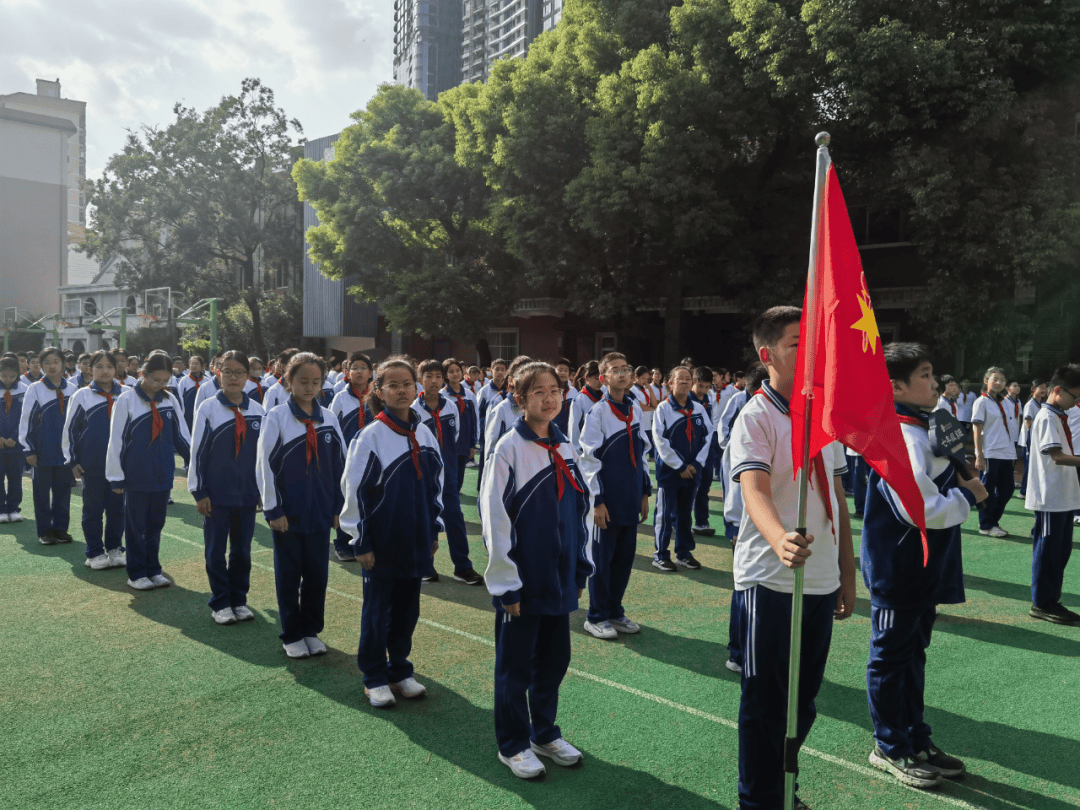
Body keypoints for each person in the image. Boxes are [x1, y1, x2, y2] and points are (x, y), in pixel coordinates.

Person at [727, 305, 856, 810]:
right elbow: (753, 489)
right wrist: (780, 537)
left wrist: (847, 572)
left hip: (820, 577)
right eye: (797, 346)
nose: (810, 356)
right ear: (768, 355)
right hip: (771, 579)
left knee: (802, 703)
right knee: (766, 703)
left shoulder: (825, 415)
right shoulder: (756, 416)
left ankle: (784, 787)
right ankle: (760, 800)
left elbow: (837, 500)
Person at [862, 343, 985, 788]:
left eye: (933, 375)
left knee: (913, 655)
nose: (936, 384)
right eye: (926, 375)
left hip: (925, 567)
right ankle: (889, 745)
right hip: (899, 567)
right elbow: (921, 509)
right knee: (892, 657)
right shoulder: (898, 435)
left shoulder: (926, 424)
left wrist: (962, 473)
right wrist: (969, 496)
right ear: (895, 386)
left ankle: (915, 737)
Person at [480, 360, 593, 780]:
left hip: (558, 578)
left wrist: (581, 564)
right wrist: (506, 583)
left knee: (554, 660)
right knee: (515, 666)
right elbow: (494, 518)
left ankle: (544, 732)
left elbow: (578, 509)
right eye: (538, 392)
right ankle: (512, 743)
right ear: (519, 399)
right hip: (523, 583)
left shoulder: (565, 446)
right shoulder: (509, 448)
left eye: (555, 391)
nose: (549, 399)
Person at [340, 357, 443, 708]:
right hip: (381, 544)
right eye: (393, 385)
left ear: (417, 389)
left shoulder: (425, 431)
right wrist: (361, 540)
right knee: (377, 611)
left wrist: (434, 529)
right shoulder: (370, 436)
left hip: (416, 540)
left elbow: (436, 486)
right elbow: (354, 491)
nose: (401, 390)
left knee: (406, 610)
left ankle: (400, 670)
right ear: (379, 392)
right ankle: (374, 675)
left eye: (407, 384)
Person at [256, 352, 346, 658]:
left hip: (321, 512)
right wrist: (273, 508)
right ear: (288, 381)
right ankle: (292, 633)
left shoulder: (330, 418)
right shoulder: (277, 417)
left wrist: (338, 507)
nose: (309, 387)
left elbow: (340, 467)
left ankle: (310, 629)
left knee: (317, 575)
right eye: (302, 381)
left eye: (316, 381)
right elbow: (264, 466)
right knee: (289, 574)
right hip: (288, 514)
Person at [188, 350, 264, 625]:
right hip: (216, 495)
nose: (233, 378)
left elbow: (262, 457)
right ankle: (220, 601)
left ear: (248, 376)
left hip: (246, 494)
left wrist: (262, 490)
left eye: (239, 373)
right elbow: (197, 452)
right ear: (217, 373)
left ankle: (239, 599)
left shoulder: (257, 410)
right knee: (216, 550)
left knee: (242, 551)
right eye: (227, 372)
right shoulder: (208, 407)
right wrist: (199, 491)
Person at [579, 352, 651, 640]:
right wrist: (597, 500)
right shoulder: (598, 412)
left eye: (626, 369)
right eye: (615, 370)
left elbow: (643, 453)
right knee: (602, 559)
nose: (622, 374)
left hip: (630, 497)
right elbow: (589, 459)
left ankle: (614, 611)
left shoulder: (635, 408)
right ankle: (595, 616)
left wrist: (644, 491)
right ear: (604, 378)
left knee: (624, 559)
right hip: (606, 501)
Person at [106, 354, 191, 590]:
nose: (160, 384)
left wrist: (195, 460)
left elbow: (182, 435)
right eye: (155, 379)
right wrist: (116, 477)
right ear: (143, 374)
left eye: (165, 380)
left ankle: (153, 569)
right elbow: (116, 442)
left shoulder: (170, 399)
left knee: (156, 524)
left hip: (163, 473)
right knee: (136, 526)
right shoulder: (126, 400)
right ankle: (136, 573)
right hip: (135, 475)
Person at [414, 359, 483, 586]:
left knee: (455, 517)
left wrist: (449, 468)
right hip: (423, 477)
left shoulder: (451, 406)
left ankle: (462, 567)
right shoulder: (413, 412)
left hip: (448, 474)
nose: (434, 381)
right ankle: (425, 564)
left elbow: (454, 438)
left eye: (437, 376)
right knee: (424, 520)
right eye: (428, 376)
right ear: (420, 379)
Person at [1024, 364, 1080, 625]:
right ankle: (1042, 603)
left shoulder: (1058, 416)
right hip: (1050, 498)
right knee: (1048, 553)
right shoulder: (1047, 416)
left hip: (1062, 498)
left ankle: (1051, 600)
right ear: (1058, 390)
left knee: (1060, 552)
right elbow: (1056, 456)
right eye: (1074, 396)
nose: (1076, 401)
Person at [63, 350, 126, 570]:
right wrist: (72, 460)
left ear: (116, 369)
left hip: (120, 464)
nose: (105, 371)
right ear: (90, 369)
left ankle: (115, 548)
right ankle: (95, 552)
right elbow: (70, 429)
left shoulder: (126, 394)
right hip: (93, 463)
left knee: (118, 508)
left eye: (109, 366)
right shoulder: (82, 395)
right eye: (99, 367)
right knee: (93, 509)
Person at [651, 365, 710, 572]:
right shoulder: (663, 408)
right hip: (670, 472)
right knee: (665, 515)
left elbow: (708, 437)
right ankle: (660, 554)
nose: (685, 382)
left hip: (692, 472)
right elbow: (659, 440)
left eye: (688, 379)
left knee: (685, 515)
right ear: (670, 383)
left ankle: (683, 553)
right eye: (680, 379)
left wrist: (695, 464)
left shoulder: (699, 408)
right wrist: (679, 465)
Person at [19, 347, 77, 545]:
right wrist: (29, 449)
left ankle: (61, 529)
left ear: (63, 364)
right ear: (41, 366)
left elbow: (78, 423)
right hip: (42, 451)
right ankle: (45, 531)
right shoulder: (35, 389)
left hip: (66, 452)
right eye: (47, 363)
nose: (51, 366)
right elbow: (26, 420)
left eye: (56, 362)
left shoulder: (72, 389)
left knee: (63, 492)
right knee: (41, 494)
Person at [328, 352, 374, 562]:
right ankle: (342, 543)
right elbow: (331, 425)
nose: (359, 371)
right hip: (346, 458)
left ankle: (365, 540)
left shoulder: (377, 395)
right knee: (346, 500)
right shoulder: (340, 397)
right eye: (354, 367)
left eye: (363, 367)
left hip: (372, 457)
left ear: (371, 372)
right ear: (347, 372)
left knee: (370, 499)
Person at [972, 366, 1015, 537]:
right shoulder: (981, 402)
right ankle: (986, 524)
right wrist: (979, 455)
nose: (999, 383)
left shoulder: (1005, 402)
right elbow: (977, 429)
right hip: (990, 452)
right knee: (987, 490)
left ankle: (993, 521)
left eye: (1002, 380)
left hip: (1008, 452)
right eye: (995, 379)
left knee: (1008, 490)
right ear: (986, 381)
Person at [689, 365, 718, 537]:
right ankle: (676, 520)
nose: (703, 390)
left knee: (704, 486)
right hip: (690, 449)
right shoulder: (685, 398)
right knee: (686, 488)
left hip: (707, 449)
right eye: (700, 386)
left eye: (707, 387)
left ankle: (701, 522)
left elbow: (711, 422)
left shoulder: (709, 398)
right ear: (693, 382)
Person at [442, 358, 479, 492]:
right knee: (447, 479)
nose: (455, 374)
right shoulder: (442, 396)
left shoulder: (469, 395)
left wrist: (472, 444)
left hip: (464, 443)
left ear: (462, 372)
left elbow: (474, 420)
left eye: (457, 370)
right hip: (447, 445)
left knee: (459, 478)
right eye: (451, 371)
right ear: (445, 375)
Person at [0, 357, 26, 523]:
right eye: (4, 376)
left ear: (17, 374)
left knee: (16, 477)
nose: (8, 379)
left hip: (17, 445)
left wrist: (15, 437)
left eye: (12, 375)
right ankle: (1, 509)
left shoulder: (25, 389)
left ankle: (14, 508)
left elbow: (27, 417)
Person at [476, 358, 509, 490]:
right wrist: (480, 432)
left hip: (505, 433)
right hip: (487, 433)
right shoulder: (485, 391)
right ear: (490, 371)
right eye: (497, 369)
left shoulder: (509, 391)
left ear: (506, 372)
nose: (500, 372)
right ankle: (482, 488)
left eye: (502, 369)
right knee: (486, 461)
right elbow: (478, 413)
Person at [1019, 379, 1048, 500]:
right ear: (1033, 389)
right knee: (1029, 467)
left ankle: (1030, 490)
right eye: (1040, 387)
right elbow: (1028, 424)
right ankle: (1023, 491)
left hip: (1037, 441)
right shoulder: (1030, 405)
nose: (1043, 390)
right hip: (1029, 441)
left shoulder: (1042, 404)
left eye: (1045, 388)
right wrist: (1031, 442)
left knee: (1034, 466)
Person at [568, 361, 603, 453]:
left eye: (601, 379)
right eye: (596, 378)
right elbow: (574, 431)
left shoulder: (604, 398)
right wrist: (578, 453)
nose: (600, 382)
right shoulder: (579, 400)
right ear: (587, 377)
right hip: (585, 452)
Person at [177, 355, 209, 433]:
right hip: (187, 416)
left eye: (196, 364)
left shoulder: (207, 381)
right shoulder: (184, 380)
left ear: (202, 366)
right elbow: (179, 399)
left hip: (203, 415)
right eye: (192, 363)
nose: (193, 366)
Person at [552, 357, 578, 437]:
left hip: (569, 434)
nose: (563, 373)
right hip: (552, 433)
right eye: (560, 370)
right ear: (554, 371)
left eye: (566, 371)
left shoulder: (574, 392)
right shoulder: (549, 392)